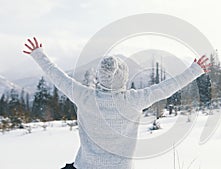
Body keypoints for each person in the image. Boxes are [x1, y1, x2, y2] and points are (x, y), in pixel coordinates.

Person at [23, 37, 211, 169]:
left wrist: (39, 55)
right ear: (123, 78)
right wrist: (194, 70)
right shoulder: (133, 100)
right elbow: (165, 88)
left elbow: (58, 77)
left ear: (100, 77)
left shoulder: (84, 96)